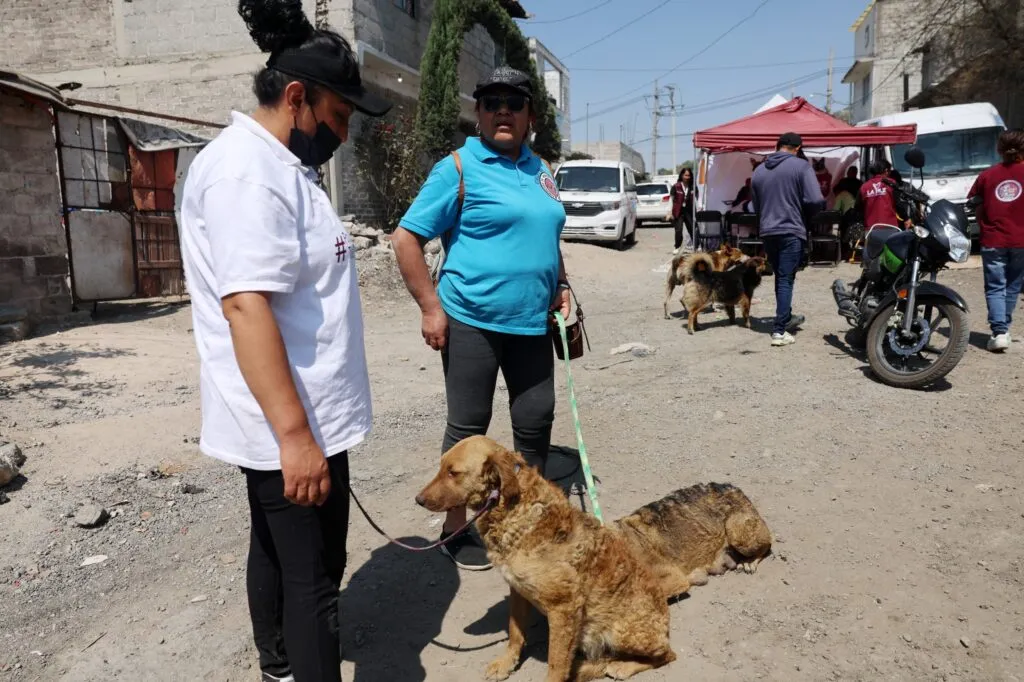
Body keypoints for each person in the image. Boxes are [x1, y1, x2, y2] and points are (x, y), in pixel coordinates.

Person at [177, 1, 392, 680]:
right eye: (339, 116)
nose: (344, 134)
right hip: (288, 421)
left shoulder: (281, 166)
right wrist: (296, 438)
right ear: (296, 97)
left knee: (277, 550)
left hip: (306, 412)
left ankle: (277, 666)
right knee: (315, 580)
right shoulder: (246, 173)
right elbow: (246, 307)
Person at [391, 66, 569, 571]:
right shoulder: (458, 167)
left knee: (535, 420)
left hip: (532, 321)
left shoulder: (540, 169)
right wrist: (431, 307)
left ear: (531, 115)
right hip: (471, 320)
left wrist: (560, 284)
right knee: (468, 427)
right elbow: (406, 239)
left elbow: (547, 237)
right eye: (492, 103)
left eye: (514, 103)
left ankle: (527, 519)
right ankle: (456, 528)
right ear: (479, 114)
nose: (503, 111)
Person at [750, 132, 825, 347]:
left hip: (768, 230)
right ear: (798, 148)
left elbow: (755, 205)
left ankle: (785, 317)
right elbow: (816, 199)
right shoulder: (801, 166)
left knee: (780, 277)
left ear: (778, 145)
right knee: (786, 279)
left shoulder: (759, 170)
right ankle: (779, 331)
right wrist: (808, 216)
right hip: (791, 229)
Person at [968, 128, 1024, 352]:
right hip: (1021, 240)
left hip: (993, 239)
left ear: (999, 149)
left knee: (995, 286)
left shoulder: (987, 175)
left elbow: (974, 203)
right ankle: (1003, 329)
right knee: (1013, 285)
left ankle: (999, 332)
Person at [671, 166, 698, 254]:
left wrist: (698, 209)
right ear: (682, 175)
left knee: (692, 228)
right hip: (678, 211)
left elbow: (697, 199)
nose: (687, 177)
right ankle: (677, 246)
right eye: (685, 175)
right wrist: (669, 212)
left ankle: (696, 246)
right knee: (678, 230)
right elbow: (671, 200)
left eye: (689, 175)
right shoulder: (676, 186)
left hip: (689, 211)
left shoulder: (693, 187)